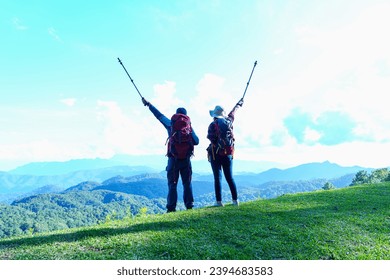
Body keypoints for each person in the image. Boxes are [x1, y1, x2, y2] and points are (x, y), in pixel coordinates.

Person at [142, 97, 199, 212]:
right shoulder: (189, 127)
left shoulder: (171, 124)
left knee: (172, 184)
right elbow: (197, 141)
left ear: (176, 114)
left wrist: (148, 104)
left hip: (173, 159)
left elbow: (159, 116)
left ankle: (171, 208)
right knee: (187, 183)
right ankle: (189, 206)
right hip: (186, 160)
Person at [207, 98, 244, 207]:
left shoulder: (212, 125)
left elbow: (210, 137)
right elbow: (232, 113)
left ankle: (219, 202)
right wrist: (238, 104)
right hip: (228, 153)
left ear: (214, 115)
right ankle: (235, 200)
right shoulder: (229, 121)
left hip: (215, 154)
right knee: (230, 177)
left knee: (217, 178)